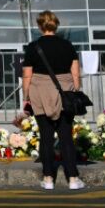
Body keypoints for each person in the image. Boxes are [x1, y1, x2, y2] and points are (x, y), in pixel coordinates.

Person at [21, 10, 85, 191]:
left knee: (46, 137)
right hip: (64, 93)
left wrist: (27, 97)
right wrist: (75, 91)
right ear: (56, 25)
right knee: (66, 137)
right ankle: (73, 178)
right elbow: (75, 73)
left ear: (40, 26)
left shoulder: (33, 47)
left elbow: (27, 76)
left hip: (39, 94)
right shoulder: (68, 45)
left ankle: (48, 178)